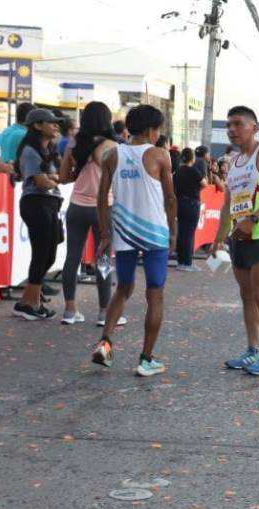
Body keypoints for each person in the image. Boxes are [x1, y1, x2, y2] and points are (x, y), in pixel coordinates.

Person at [90, 104, 177, 377]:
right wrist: (173, 231)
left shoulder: (112, 155)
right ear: (152, 130)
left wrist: (104, 233)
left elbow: (101, 197)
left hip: (123, 232)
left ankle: (105, 342)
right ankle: (146, 358)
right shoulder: (160, 155)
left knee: (123, 289)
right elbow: (170, 198)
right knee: (155, 294)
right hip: (155, 234)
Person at [211, 106, 259, 375]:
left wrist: (253, 220)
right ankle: (253, 349)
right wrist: (219, 237)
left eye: (237, 124)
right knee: (246, 296)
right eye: (228, 125)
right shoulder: (233, 161)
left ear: (254, 127)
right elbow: (227, 203)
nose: (232, 129)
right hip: (238, 236)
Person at [58, 102, 121, 325]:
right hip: (104, 208)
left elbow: (63, 177)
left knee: (72, 257)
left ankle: (69, 310)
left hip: (76, 206)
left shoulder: (74, 143)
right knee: (103, 258)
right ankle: (105, 312)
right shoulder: (112, 145)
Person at [10, 109, 66, 320]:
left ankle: (27, 300)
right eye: (51, 122)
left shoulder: (51, 149)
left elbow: (60, 176)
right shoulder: (29, 151)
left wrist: (52, 178)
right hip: (35, 203)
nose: (56, 125)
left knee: (49, 254)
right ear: (37, 125)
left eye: (56, 122)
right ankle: (31, 302)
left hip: (50, 204)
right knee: (42, 253)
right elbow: (42, 183)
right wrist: (53, 179)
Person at [172, 148, 206, 272]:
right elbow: (204, 184)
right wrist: (195, 189)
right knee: (189, 233)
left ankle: (181, 261)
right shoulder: (193, 171)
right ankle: (187, 263)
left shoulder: (177, 171)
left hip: (180, 203)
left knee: (182, 232)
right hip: (192, 203)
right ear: (192, 158)